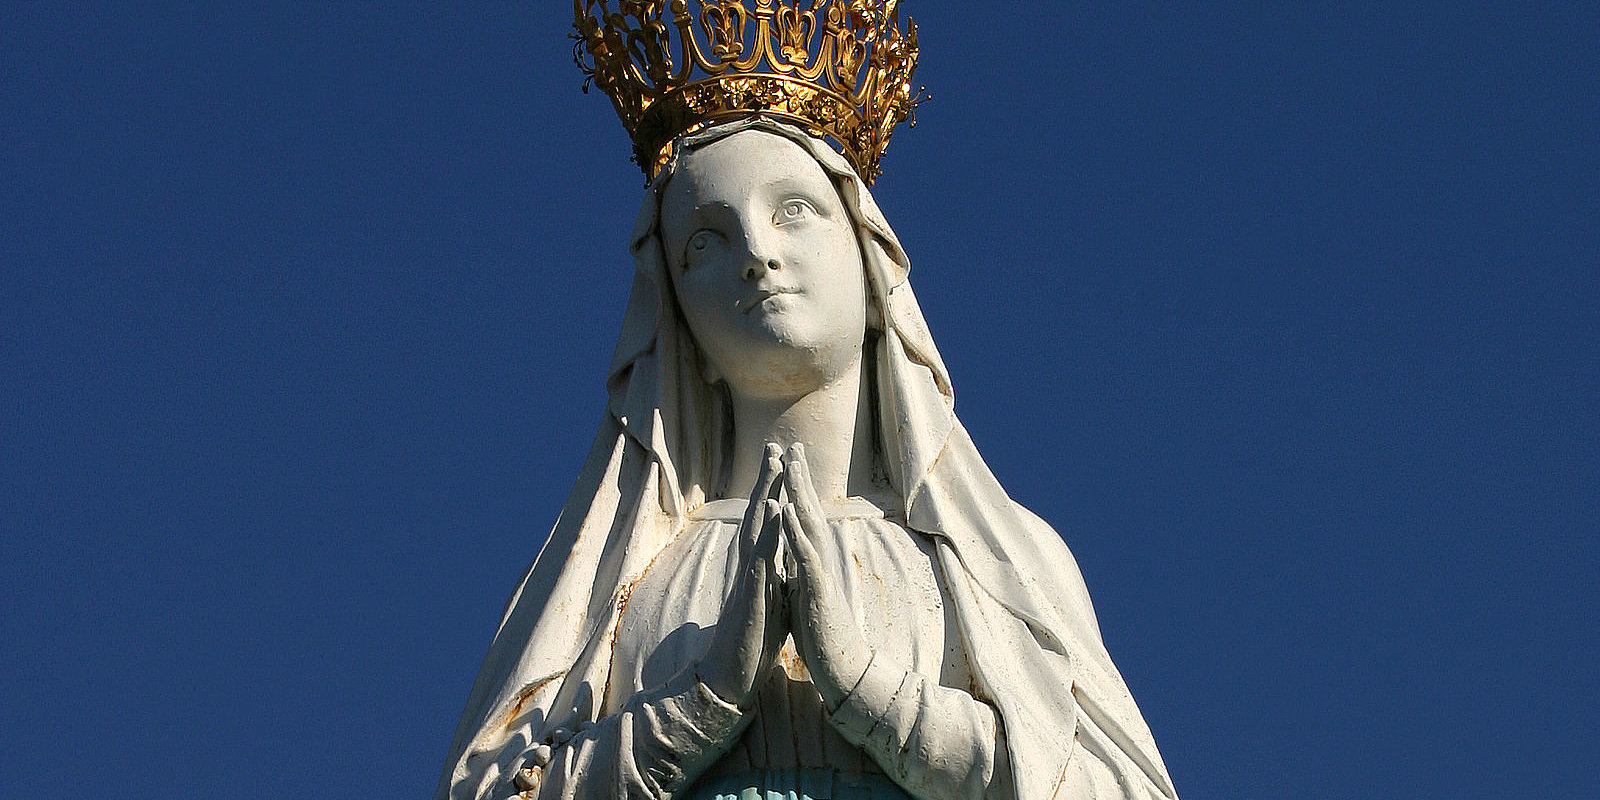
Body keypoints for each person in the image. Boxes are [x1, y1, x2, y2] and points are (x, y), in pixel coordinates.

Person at [437, 117, 1178, 800]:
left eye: (792, 209)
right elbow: (496, 785)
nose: (758, 254)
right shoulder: (617, 571)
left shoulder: (997, 558)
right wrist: (703, 700)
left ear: (869, 260)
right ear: (677, 319)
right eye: (704, 242)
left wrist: (867, 687)